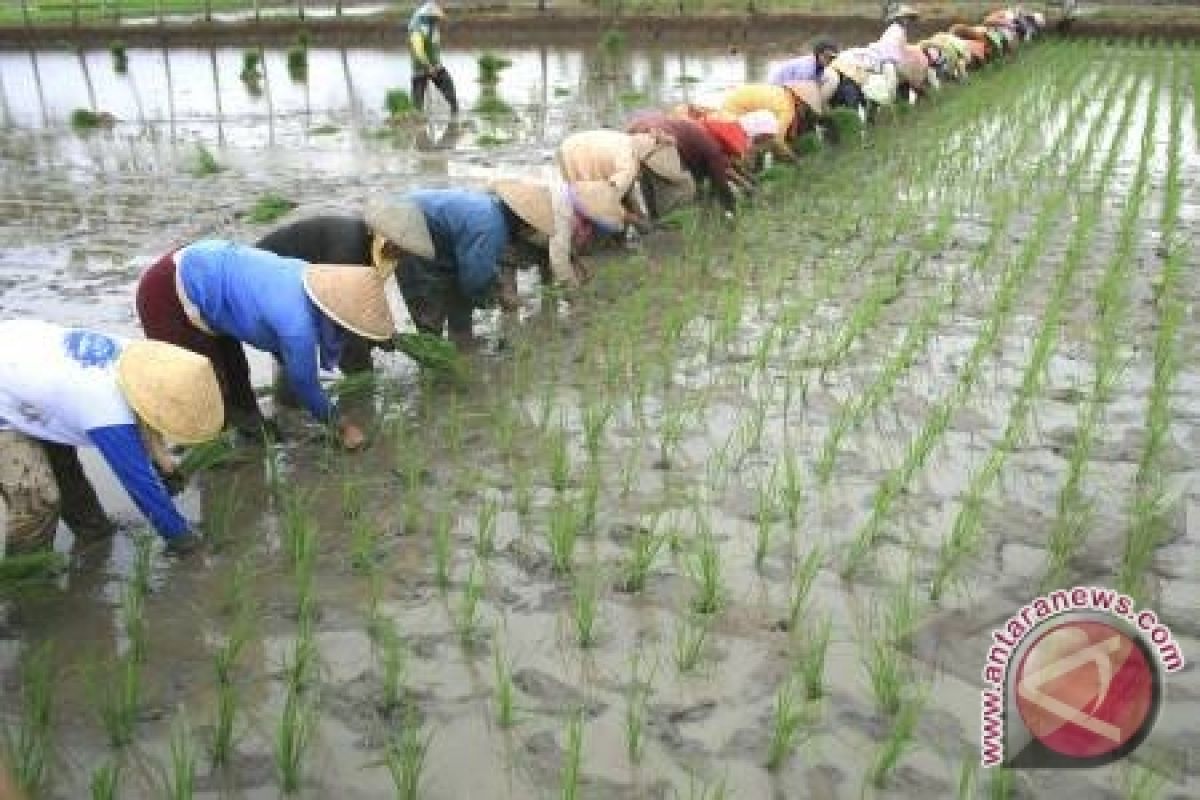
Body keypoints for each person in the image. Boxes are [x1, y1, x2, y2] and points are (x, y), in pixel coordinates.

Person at [135, 240, 394, 451]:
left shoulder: (308, 276)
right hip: (167, 292)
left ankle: (251, 431)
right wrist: (343, 427)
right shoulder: (297, 326)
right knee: (205, 386)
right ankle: (208, 454)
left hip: (208, 274)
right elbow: (305, 384)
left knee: (236, 369)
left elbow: (283, 347)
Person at [0, 319, 223, 556]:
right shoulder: (106, 408)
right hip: (12, 381)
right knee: (38, 497)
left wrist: (166, 468)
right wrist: (183, 540)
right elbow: (138, 483)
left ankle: (93, 534)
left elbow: (145, 421)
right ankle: (28, 577)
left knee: (63, 465)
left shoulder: (138, 361)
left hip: (24, 363)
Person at [368, 178, 624, 348]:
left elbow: (468, 275)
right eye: (532, 230)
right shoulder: (491, 227)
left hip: (435, 238)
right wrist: (497, 296)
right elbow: (474, 278)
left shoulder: (493, 214)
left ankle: (462, 348)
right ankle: (434, 371)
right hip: (406, 229)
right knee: (429, 314)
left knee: (459, 304)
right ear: (523, 225)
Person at [556, 129, 686, 240]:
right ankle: (591, 240)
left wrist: (642, 217)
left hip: (575, 145)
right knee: (589, 204)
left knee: (590, 200)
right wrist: (634, 220)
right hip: (574, 155)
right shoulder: (628, 167)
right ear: (648, 166)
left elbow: (627, 191)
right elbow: (605, 200)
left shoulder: (634, 144)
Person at [626, 111, 742, 217]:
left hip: (636, 137)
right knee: (678, 194)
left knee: (649, 180)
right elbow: (720, 181)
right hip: (661, 141)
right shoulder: (713, 150)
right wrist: (730, 208)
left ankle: (654, 221)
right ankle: (672, 226)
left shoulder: (697, 132)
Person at [719, 79, 832, 162]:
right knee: (747, 149)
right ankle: (749, 174)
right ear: (800, 101)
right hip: (734, 113)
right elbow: (777, 140)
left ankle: (755, 170)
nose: (806, 112)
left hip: (734, 104)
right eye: (807, 108)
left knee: (759, 142)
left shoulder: (783, 94)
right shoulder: (787, 109)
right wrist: (794, 159)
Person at [408, 1, 458, 114]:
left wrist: (436, 64)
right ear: (428, 16)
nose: (438, 19)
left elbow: (435, 48)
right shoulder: (417, 29)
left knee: (450, 93)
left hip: (436, 66)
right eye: (435, 17)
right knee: (417, 105)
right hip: (420, 69)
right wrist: (428, 66)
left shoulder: (433, 26)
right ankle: (417, 123)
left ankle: (454, 121)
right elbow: (418, 51)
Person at [767, 38, 839, 86]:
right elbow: (800, 87)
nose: (829, 60)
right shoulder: (807, 67)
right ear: (818, 54)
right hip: (777, 86)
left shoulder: (820, 66)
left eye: (832, 58)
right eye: (826, 56)